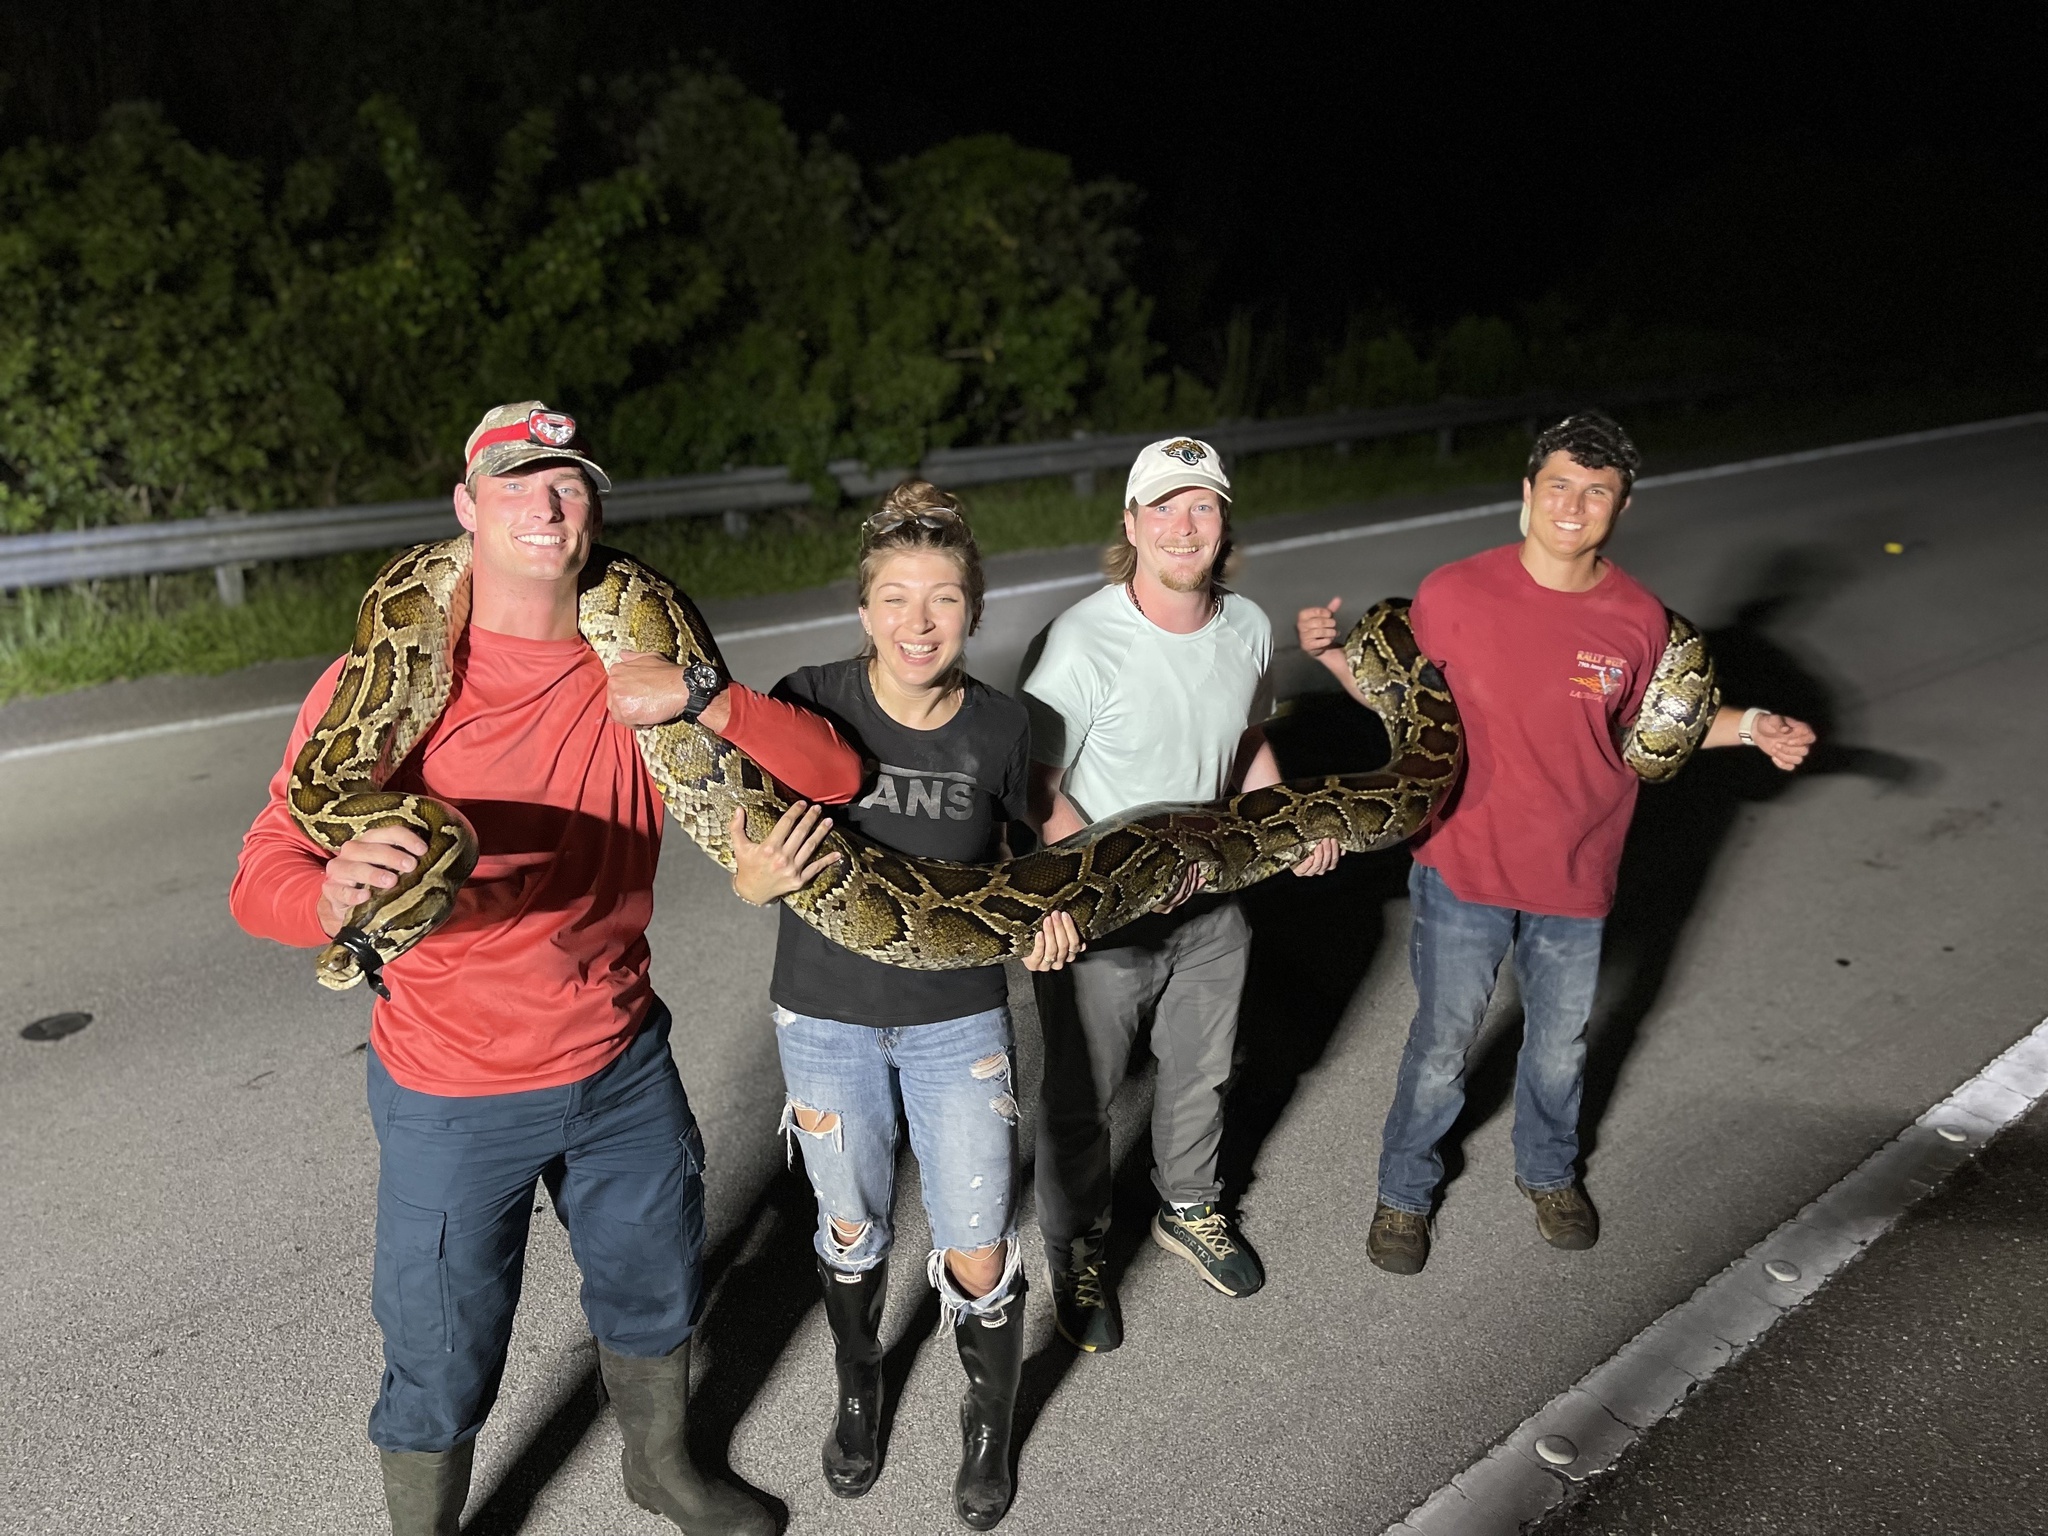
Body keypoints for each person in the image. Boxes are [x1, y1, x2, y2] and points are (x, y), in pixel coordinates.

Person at [229, 401, 866, 1536]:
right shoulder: (379, 685)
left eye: (567, 483)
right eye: (516, 482)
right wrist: (325, 895)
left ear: (594, 513)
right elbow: (263, 869)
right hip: (452, 1087)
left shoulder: (646, 661)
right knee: (439, 1344)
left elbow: (823, 776)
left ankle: (661, 1469)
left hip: (620, 1056)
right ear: (467, 511)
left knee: (658, 1285)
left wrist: (720, 733)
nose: (545, 503)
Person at [1295, 411, 1817, 1274]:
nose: (1575, 507)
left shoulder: (1643, 621)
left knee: (1560, 1045)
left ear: (1622, 507)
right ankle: (1403, 1193)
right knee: (1440, 1043)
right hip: (1461, 865)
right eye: (1562, 486)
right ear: (1529, 494)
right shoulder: (1453, 592)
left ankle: (1548, 1172)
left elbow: (1661, 730)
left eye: (1598, 492)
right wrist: (1333, 658)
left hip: (1577, 874)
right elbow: (1406, 704)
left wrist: (1755, 724)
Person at [728, 480, 1081, 1530]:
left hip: (958, 1019)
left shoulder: (1006, 727)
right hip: (823, 1013)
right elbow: (744, 843)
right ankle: (858, 1386)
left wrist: (1058, 911)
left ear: (972, 611)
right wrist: (751, 882)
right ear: (863, 608)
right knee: (851, 1226)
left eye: (939, 599)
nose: (915, 622)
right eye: (893, 597)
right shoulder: (806, 700)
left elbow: (1039, 848)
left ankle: (987, 1420)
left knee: (976, 1239)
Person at [1019, 436, 1340, 1354]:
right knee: (1082, 1096)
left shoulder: (1245, 625)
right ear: (1130, 524)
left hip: (1213, 907)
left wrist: (1291, 826)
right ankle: (1077, 1247)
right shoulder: (1081, 641)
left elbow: (1246, 748)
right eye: (1162, 506)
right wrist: (1112, 886)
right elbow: (1038, 788)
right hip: (1105, 919)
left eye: (1201, 506)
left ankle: (1188, 1209)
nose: (1182, 525)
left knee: (1203, 1074)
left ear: (1224, 523)